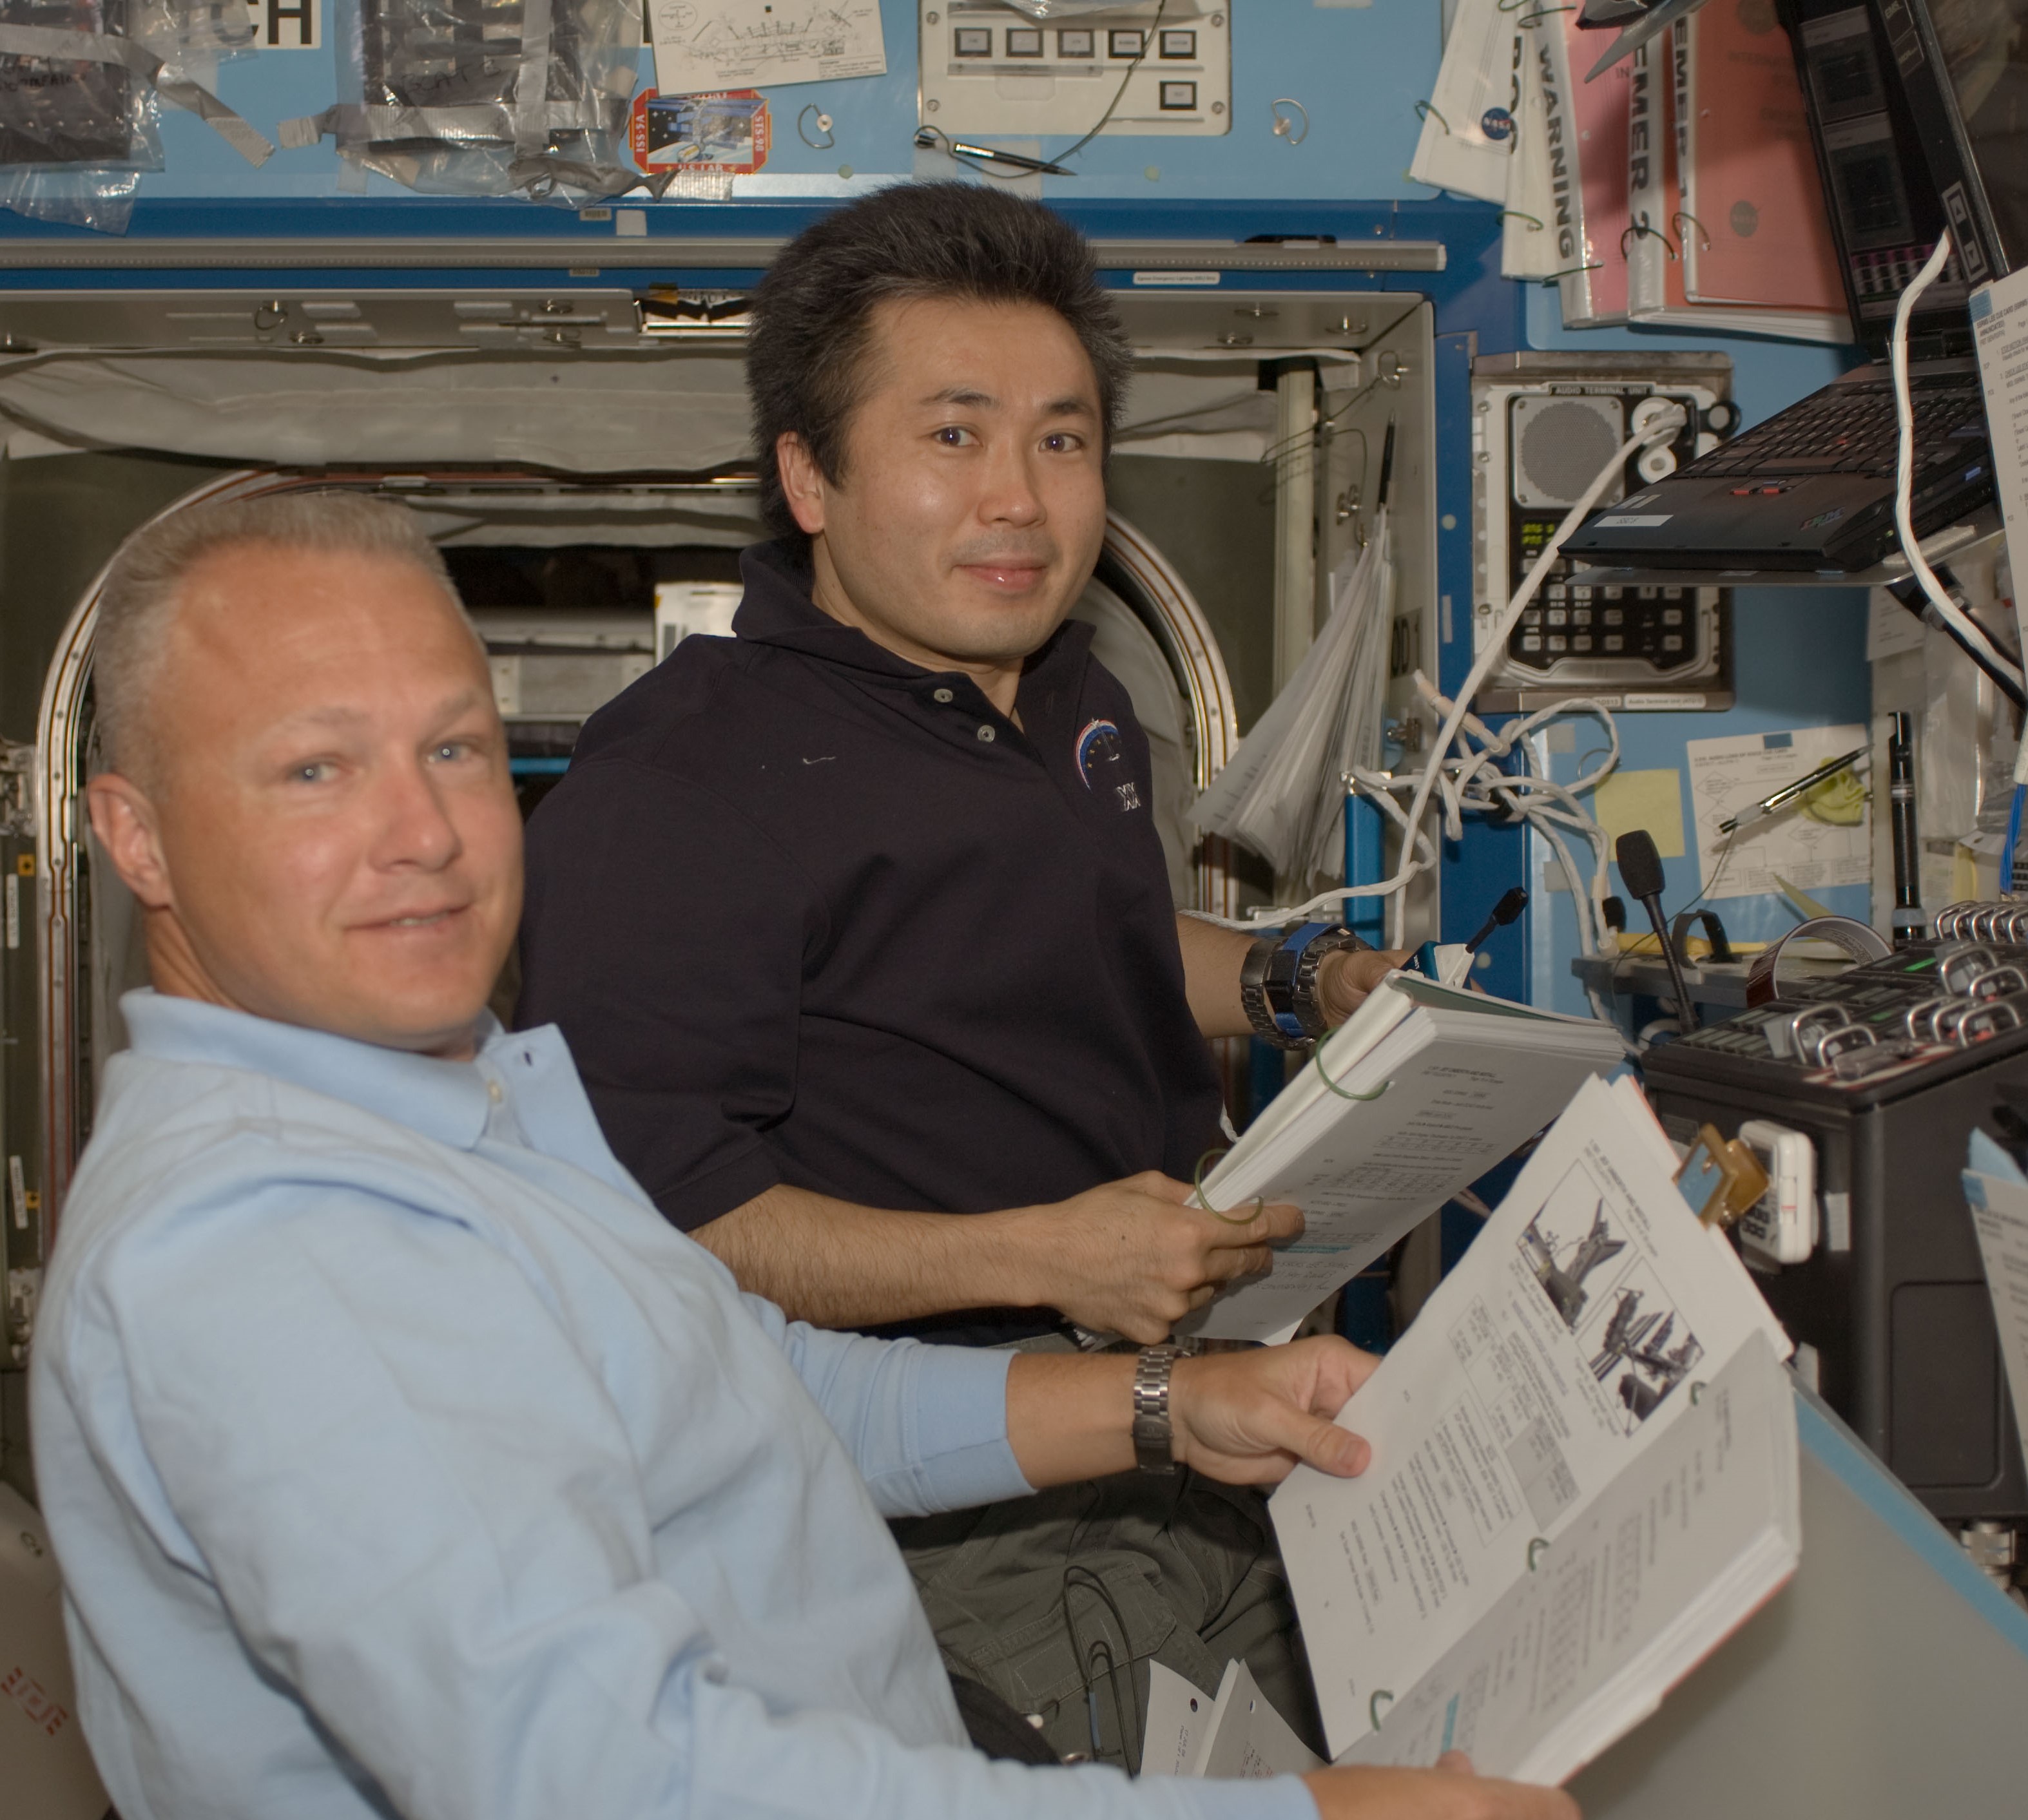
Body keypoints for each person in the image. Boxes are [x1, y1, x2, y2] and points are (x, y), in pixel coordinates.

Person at [30, 492, 1576, 1820]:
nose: (424, 832)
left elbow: (748, 1381)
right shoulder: (270, 1249)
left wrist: (1170, 1402)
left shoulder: (438, 1103)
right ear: (138, 837)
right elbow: (611, 1784)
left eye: (453, 747)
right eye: (316, 770)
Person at [512, 183, 1396, 1759]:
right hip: (939, 1509)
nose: (1019, 500)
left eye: (1060, 440)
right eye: (953, 437)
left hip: (1170, 1410)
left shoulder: (1073, 697)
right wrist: (1041, 1258)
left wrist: (1285, 980)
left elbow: (1100, 948)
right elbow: (665, 1236)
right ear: (808, 475)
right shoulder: (683, 783)